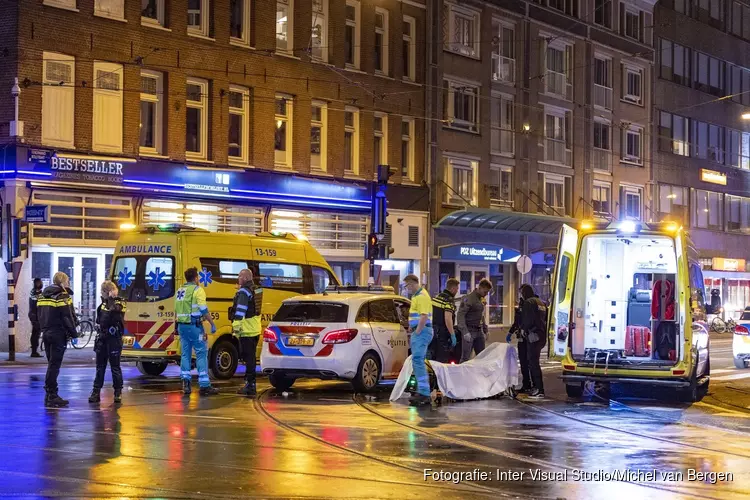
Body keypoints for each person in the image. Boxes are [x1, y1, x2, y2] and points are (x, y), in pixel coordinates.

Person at [37, 272, 78, 408]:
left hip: (46, 333)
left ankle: (49, 394)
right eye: (67, 282)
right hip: (58, 334)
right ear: (62, 283)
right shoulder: (62, 296)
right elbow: (67, 317)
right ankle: (52, 394)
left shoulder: (43, 295)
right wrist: (74, 334)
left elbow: (39, 314)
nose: (68, 284)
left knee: (51, 364)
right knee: (54, 365)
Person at [175, 267, 218, 396]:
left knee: (185, 354)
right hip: (195, 327)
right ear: (195, 278)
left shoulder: (180, 290)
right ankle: (204, 385)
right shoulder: (198, 290)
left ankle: (186, 383)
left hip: (182, 327)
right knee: (201, 353)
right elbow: (203, 309)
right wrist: (212, 323)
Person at [89, 281, 127, 404]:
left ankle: (117, 392)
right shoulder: (102, 305)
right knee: (100, 367)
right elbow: (99, 320)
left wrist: (111, 298)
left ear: (107, 292)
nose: (101, 293)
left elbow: (116, 314)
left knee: (115, 367)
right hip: (103, 339)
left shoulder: (119, 303)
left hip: (114, 339)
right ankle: (96, 392)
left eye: (102, 291)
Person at [231, 269, 263, 397]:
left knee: (248, 359)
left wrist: (236, 329)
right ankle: (250, 383)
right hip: (255, 329)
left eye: (239, 276)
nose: (238, 278)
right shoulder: (257, 290)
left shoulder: (243, 292)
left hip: (246, 330)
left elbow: (239, 312)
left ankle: (250, 385)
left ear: (244, 278)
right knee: (251, 358)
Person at [403, 274, 433, 406]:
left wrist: (418, 330)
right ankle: (422, 391)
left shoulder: (422, 297)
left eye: (407, 285)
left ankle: (424, 393)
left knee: (418, 361)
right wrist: (412, 327)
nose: (407, 288)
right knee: (418, 361)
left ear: (412, 283)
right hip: (420, 331)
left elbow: (424, 316)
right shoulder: (417, 296)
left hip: (422, 331)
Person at [519, 284, 548, 399]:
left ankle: (538, 388)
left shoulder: (528, 302)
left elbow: (528, 319)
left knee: (533, 363)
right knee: (534, 362)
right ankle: (537, 387)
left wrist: (523, 329)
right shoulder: (540, 302)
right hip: (541, 334)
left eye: (521, 293)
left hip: (533, 335)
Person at [458, 279, 493, 363]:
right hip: (469, 330)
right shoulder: (468, 298)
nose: (486, 294)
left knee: (481, 357)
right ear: (479, 288)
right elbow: (460, 315)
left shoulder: (481, 299)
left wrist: (485, 329)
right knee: (465, 358)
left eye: (487, 292)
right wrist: (465, 331)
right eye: (485, 292)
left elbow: (481, 315)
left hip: (479, 331)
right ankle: (460, 375)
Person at [507, 294, 533, 393]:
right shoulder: (526, 305)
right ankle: (528, 384)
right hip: (525, 338)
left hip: (527, 338)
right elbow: (517, 322)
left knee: (527, 362)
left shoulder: (527, 306)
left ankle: (529, 385)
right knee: (525, 362)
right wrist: (510, 332)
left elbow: (520, 322)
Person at [430, 278, 459, 363]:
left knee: (433, 359)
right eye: (457, 289)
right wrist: (452, 334)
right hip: (442, 334)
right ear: (453, 289)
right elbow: (448, 319)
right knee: (442, 360)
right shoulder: (449, 301)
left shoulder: (436, 298)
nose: (457, 291)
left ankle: (433, 376)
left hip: (433, 332)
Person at [29, 278, 43, 357]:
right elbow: (38, 303)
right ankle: (34, 351)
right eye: (38, 283)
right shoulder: (34, 292)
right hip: (35, 315)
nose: (39, 284)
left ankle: (34, 350)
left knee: (35, 333)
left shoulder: (36, 292)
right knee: (36, 333)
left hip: (35, 315)